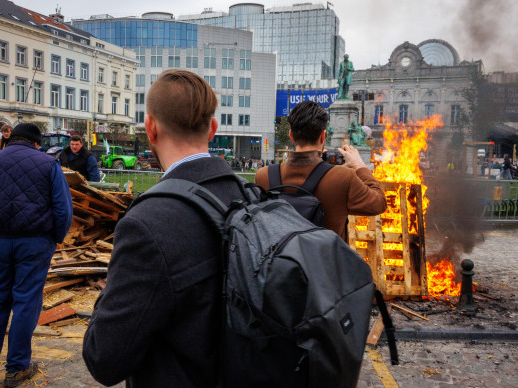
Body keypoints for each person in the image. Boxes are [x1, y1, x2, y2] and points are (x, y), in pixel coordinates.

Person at [82, 70, 247, 387]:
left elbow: (104, 360)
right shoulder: (247, 196)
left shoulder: (147, 224)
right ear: (212, 129)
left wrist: (107, 294)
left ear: (151, 129)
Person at [0, 123, 72, 387]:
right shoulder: (48, 164)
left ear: (11, 139)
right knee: (26, 301)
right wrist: (56, 238)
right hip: (34, 242)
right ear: (37, 143)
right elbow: (63, 210)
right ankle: (16, 369)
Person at [255, 101, 387, 241]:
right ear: (323, 136)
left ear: (291, 136)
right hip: (326, 261)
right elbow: (379, 203)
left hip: (281, 261)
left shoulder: (263, 176)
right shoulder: (343, 178)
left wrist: (327, 170)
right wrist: (360, 165)